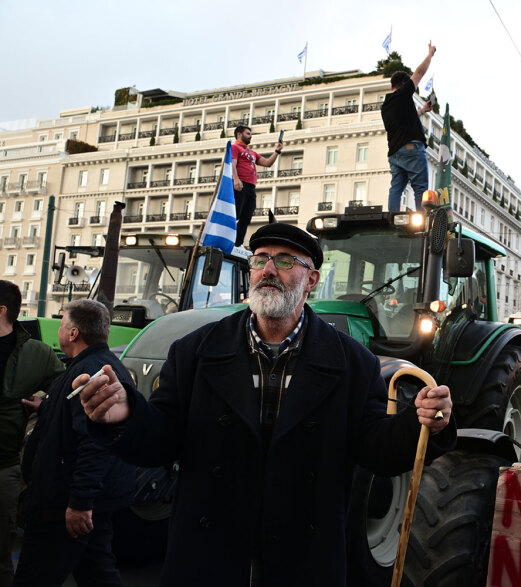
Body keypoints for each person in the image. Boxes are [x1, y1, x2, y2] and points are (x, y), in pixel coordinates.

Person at [76, 223, 456, 586]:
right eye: (260, 259)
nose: (269, 269)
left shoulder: (352, 362)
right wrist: (125, 415)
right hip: (210, 556)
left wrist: (421, 423)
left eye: (286, 260)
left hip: (303, 560)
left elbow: (375, 449)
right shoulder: (195, 351)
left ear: (311, 281)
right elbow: (163, 437)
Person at [15, 300, 135, 587]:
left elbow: (96, 444)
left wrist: (80, 503)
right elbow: (78, 419)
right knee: (96, 572)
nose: (59, 329)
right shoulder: (88, 366)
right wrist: (46, 408)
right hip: (81, 498)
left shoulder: (92, 374)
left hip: (64, 503)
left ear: (73, 334)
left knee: (34, 576)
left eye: (62, 324)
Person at [0, 282, 65, 587]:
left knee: (1, 554)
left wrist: (45, 404)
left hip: (5, 468)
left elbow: (68, 394)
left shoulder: (37, 354)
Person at [381, 42, 436, 212]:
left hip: (395, 154)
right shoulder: (403, 93)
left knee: (396, 189)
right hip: (411, 149)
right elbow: (419, 73)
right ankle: (422, 225)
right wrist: (430, 54)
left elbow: (403, 122)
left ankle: (393, 220)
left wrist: (422, 111)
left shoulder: (386, 105)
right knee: (420, 187)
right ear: (404, 83)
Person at [231, 125, 284, 246]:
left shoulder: (252, 152)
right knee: (236, 214)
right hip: (241, 184)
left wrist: (277, 151)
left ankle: (237, 242)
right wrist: (236, 179)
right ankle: (226, 236)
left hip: (251, 187)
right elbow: (232, 164)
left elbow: (267, 163)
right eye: (248, 133)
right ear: (239, 134)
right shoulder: (235, 148)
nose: (251, 136)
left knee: (247, 216)